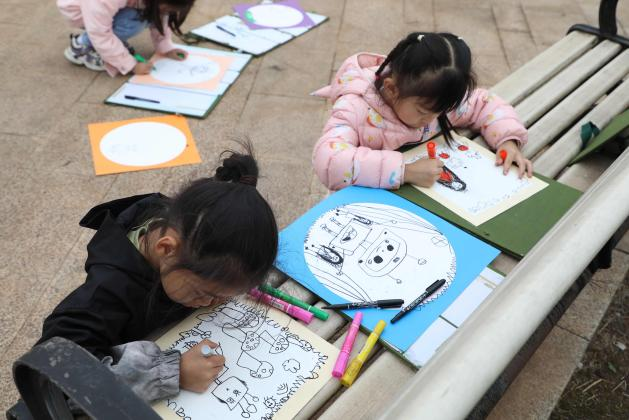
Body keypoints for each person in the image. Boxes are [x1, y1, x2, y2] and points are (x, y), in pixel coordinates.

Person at [36, 145, 279, 401]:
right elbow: (51, 374)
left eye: (220, 296)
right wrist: (172, 373)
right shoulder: (106, 293)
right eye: (202, 293)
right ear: (166, 249)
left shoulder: (186, 227)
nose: (209, 303)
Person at [312, 32, 533, 191]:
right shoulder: (354, 108)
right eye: (422, 111)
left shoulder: (435, 100)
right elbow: (328, 160)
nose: (432, 119)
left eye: (441, 111)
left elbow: (484, 103)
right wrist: (405, 171)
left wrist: (507, 141)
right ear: (392, 89)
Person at [57, 0, 194, 75]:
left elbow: (159, 16)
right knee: (134, 21)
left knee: (150, 13)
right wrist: (131, 65)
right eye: (167, 9)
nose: (167, 13)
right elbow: (99, 32)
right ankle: (82, 46)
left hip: (108, 8)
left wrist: (166, 47)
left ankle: (114, 43)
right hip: (79, 10)